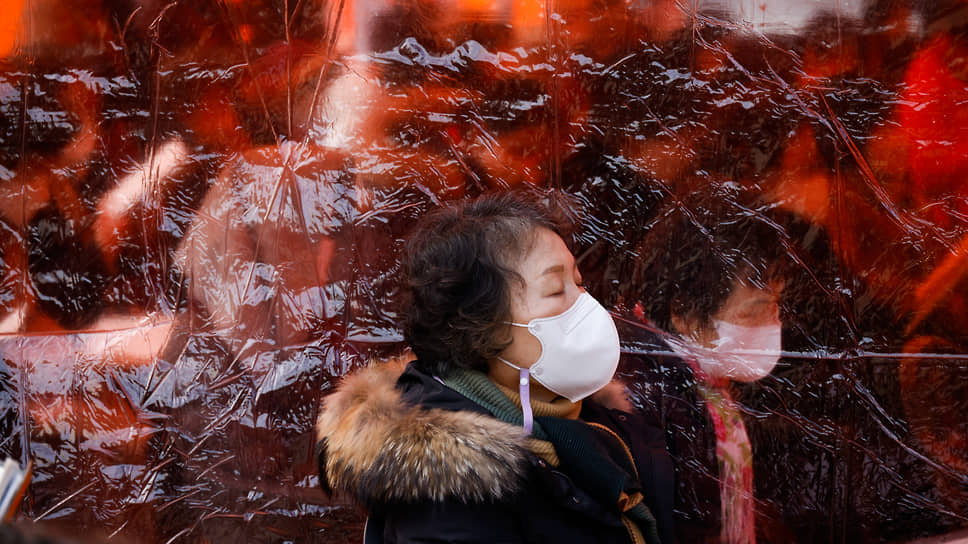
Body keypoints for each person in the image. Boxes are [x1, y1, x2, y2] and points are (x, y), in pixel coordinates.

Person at [315, 192, 676, 543]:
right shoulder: (449, 494)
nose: (585, 304)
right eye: (555, 290)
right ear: (480, 326)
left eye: (579, 283)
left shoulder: (595, 420)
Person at [622, 186, 796, 544]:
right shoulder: (647, 399)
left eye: (775, 305)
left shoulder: (706, 383)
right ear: (684, 315)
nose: (772, 323)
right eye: (753, 311)